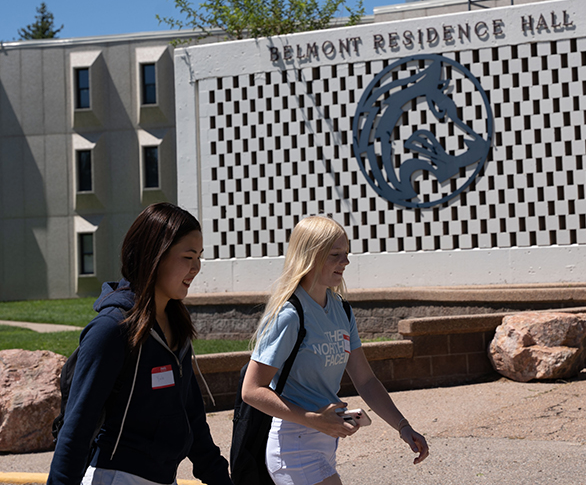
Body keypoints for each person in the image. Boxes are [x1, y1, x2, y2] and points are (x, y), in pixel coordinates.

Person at [47, 203, 233, 485]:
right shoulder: (111, 329)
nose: (196, 267)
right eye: (188, 256)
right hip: (117, 476)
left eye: (199, 257)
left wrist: (220, 478)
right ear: (154, 257)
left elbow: (192, 416)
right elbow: (77, 429)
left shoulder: (175, 325)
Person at [241, 215, 429, 485]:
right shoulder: (289, 314)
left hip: (326, 442)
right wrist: (313, 419)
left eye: (347, 253)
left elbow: (365, 380)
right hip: (294, 445)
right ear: (310, 256)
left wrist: (402, 426)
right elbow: (251, 390)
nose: (346, 261)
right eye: (336, 254)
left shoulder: (342, 309)